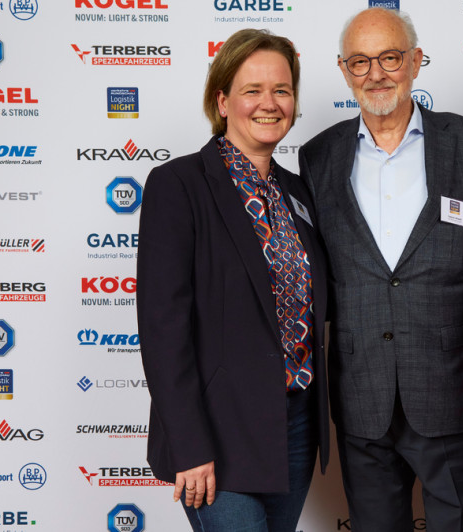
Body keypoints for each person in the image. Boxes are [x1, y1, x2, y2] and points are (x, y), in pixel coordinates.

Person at [298, 7, 463, 532]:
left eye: (389, 57)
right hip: (360, 392)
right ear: (343, 70)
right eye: (359, 62)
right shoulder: (318, 157)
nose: (376, 74)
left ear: (415, 61)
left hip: (448, 390)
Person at [136, 28, 328, 532]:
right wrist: (189, 445)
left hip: (295, 425)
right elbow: (163, 329)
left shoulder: (297, 193)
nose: (270, 104)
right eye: (252, 90)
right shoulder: (178, 185)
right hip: (217, 433)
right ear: (222, 100)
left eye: (282, 91)